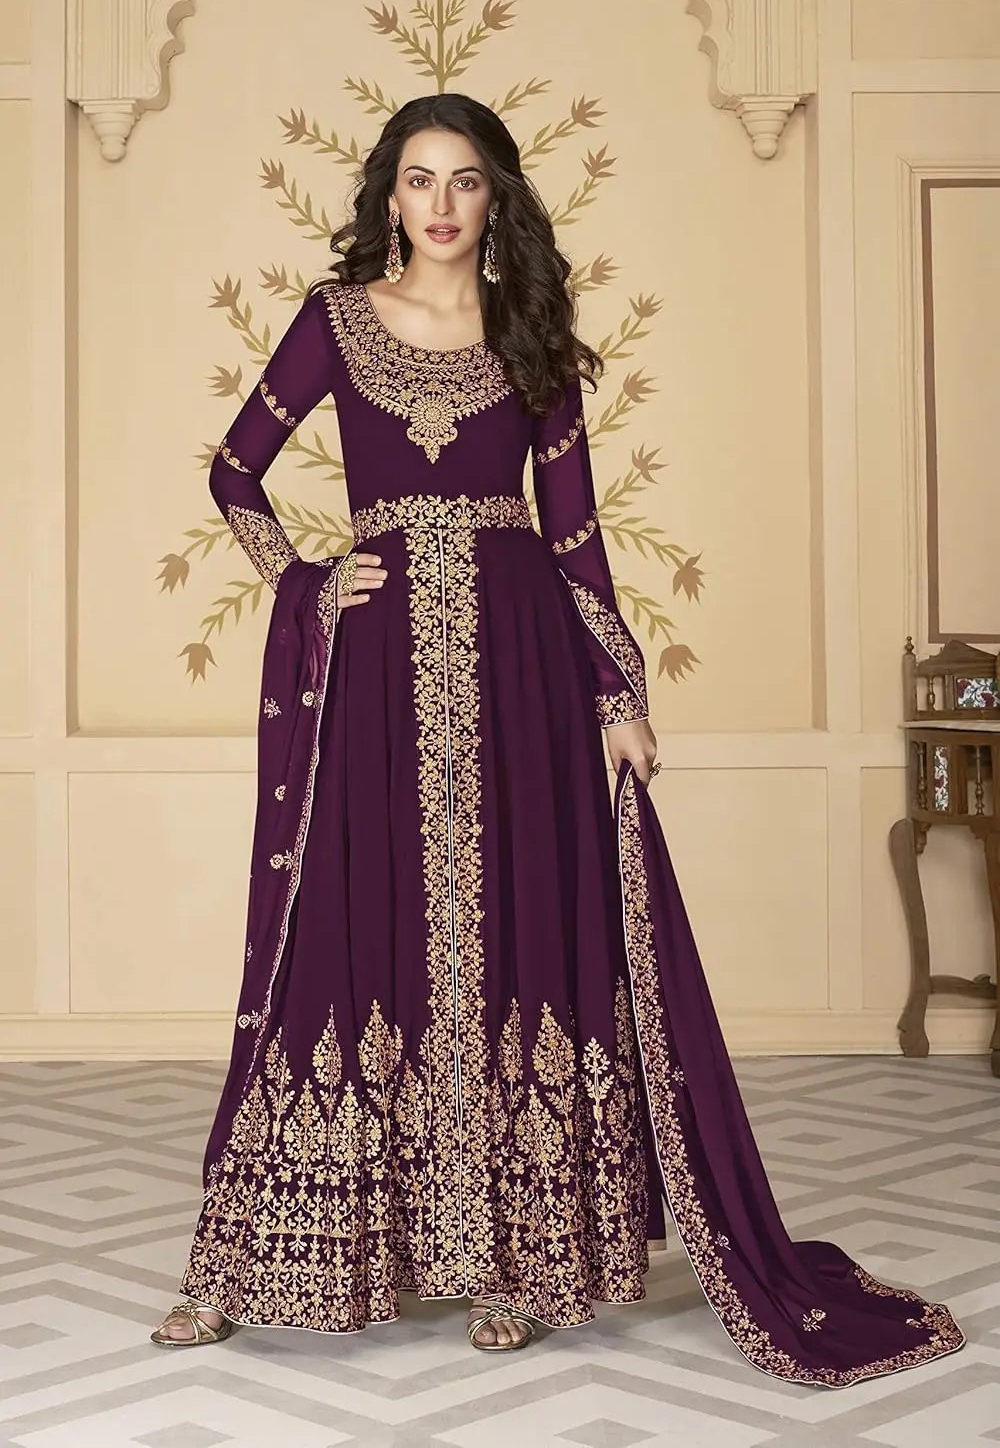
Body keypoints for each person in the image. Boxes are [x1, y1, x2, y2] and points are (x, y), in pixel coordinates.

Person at [150, 93, 966, 1383]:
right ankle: (261, 1257)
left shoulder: (532, 334)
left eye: (465, 180)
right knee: (359, 926)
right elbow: (234, 471)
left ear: (497, 198)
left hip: (522, 664)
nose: (440, 205)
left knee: (519, 927)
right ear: (389, 196)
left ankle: (517, 1259)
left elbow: (576, 538)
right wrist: (306, 578)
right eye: (418, 180)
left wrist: (619, 695)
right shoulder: (335, 321)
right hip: (377, 670)